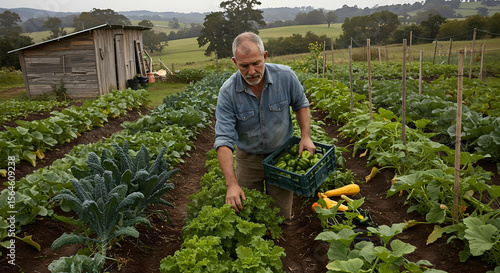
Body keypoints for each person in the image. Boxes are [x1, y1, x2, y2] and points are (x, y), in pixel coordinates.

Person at [214, 32, 315, 225]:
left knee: (281, 215)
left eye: (256, 63)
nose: (252, 71)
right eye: (244, 66)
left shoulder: (285, 76)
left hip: (281, 157)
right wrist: (231, 184)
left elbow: (301, 104)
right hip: (248, 160)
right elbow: (223, 139)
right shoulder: (227, 93)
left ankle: (280, 247)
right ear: (235, 62)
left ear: (265, 56)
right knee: (249, 215)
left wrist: (305, 136)